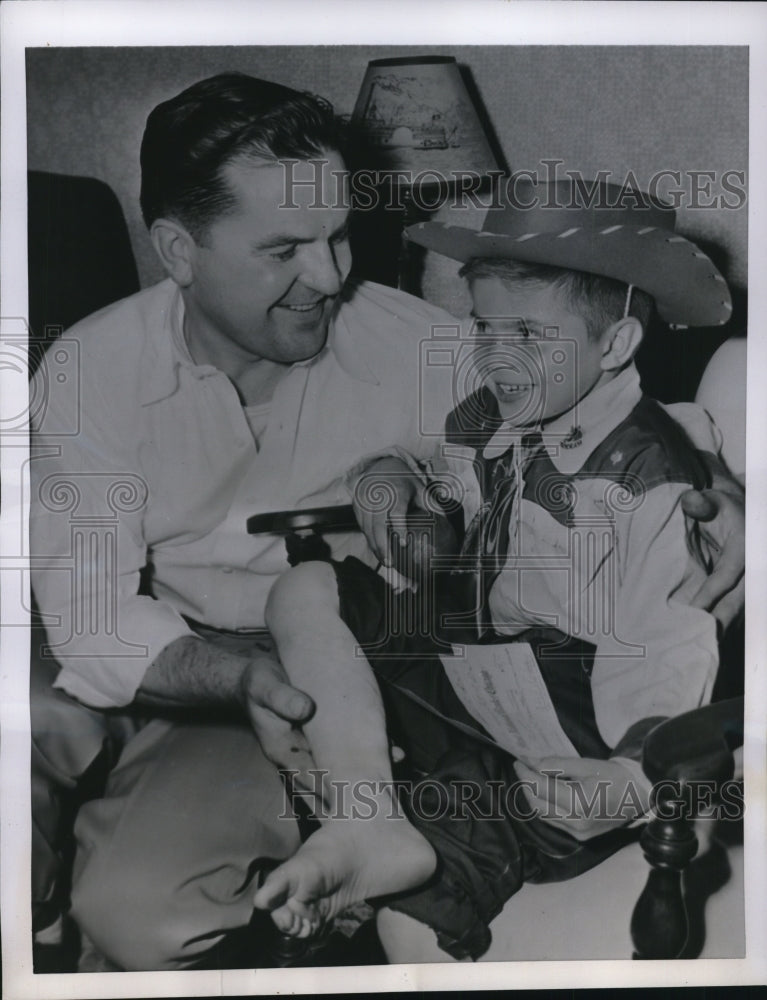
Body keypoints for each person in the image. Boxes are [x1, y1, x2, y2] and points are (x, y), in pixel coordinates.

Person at [28, 69, 744, 970]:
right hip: (162, 651)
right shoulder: (85, 373)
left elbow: (588, 412)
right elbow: (89, 621)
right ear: (178, 250)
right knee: (26, 736)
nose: (330, 278)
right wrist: (241, 679)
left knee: (142, 916)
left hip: (331, 671)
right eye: (285, 250)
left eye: (339, 236)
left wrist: (725, 486)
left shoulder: (412, 338)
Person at [251, 179, 743, 963]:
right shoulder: (493, 415)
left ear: (612, 345)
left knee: (438, 873)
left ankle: (403, 854)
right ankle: (365, 810)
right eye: (483, 325)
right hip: (471, 666)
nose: (495, 352)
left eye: (526, 332)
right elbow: (441, 480)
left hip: (570, 730)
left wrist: (629, 776)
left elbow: (664, 646)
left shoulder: (649, 482)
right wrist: (388, 470)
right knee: (306, 587)